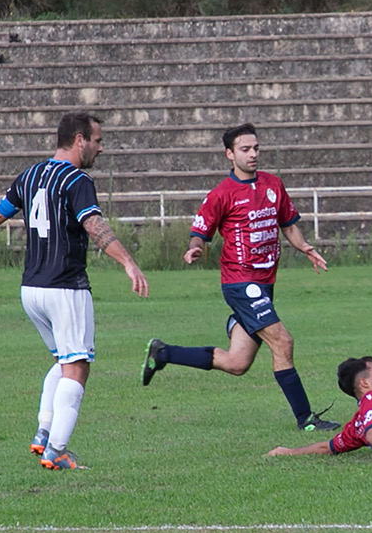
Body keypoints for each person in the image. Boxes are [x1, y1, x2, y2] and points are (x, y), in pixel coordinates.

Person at [0, 111, 149, 470]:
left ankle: (44, 433)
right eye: (97, 141)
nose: (101, 148)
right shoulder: (77, 180)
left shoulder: (30, 175)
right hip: (65, 287)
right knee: (77, 367)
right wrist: (128, 262)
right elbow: (93, 225)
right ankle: (57, 451)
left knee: (64, 360)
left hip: (31, 290)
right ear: (79, 140)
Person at [139, 122, 339, 432]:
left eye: (256, 148)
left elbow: (287, 224)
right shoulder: (221, 194)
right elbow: (200, 232)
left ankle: (163, 353)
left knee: (237, 363)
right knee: (283, 342)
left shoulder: (273, 184)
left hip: (264, 284)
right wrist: (195, 248)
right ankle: (306, 419)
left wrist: (305, 247)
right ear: (230, 154)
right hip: (240, 283)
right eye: (245, 149)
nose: (253, 154)